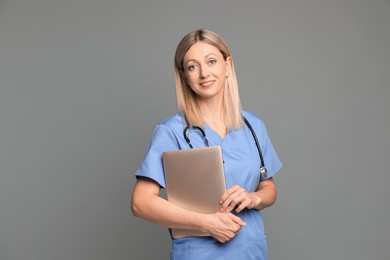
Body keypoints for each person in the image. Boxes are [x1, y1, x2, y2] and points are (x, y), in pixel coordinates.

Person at [131, 29, 282, 260]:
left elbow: (269, 189)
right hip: (200, 254)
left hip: (250, 252)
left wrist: (254, 198)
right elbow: (141, 203)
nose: (204, 73)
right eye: (193, 66)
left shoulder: (253, 126)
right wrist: (206, 223)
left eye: (211, 61)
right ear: (184, 76)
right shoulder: (171, 131)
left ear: (227, 65)